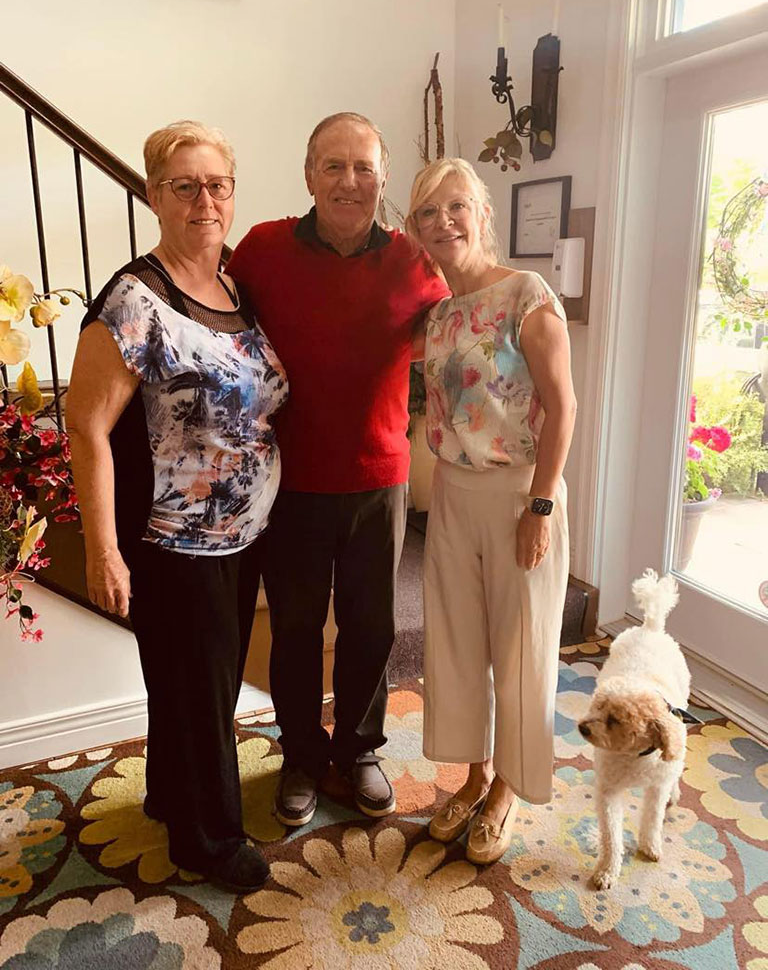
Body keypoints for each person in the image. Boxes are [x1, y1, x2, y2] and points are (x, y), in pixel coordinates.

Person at [66, 121, 288, 891]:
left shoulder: (234, 288)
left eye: (217, 185)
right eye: (184, 185)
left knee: (203, 686)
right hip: (176, 542)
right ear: (153, 195)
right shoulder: (135, 299)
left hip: (244, 534)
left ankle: (169, 795)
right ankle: (210, 841)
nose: (204, 200)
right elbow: (86, 425)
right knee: (198, 691)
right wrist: (102, 549)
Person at [226, 112, 448, 827]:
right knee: (294, 629)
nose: (349, 181)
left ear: (383, 178)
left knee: (371, 627)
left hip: (379, 480)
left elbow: (455, 332)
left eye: (363, 168)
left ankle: (359, 751)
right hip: (288, 482)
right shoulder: (262, 250)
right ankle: (300, 755)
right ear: (308, 175)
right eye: (333, 166)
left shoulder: (415, 261)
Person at [406, 157, 577, 864]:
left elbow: (563, 408)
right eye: (428, 212)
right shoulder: (440, 315)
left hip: (518, 493)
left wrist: (541, 505)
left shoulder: (526, 294)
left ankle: (506, 788)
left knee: (519, 646)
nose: (443, 222)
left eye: (456, 206)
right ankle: (472, 777)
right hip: (454, 491)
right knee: (457, 643)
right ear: (416, 230)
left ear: (481, 212)